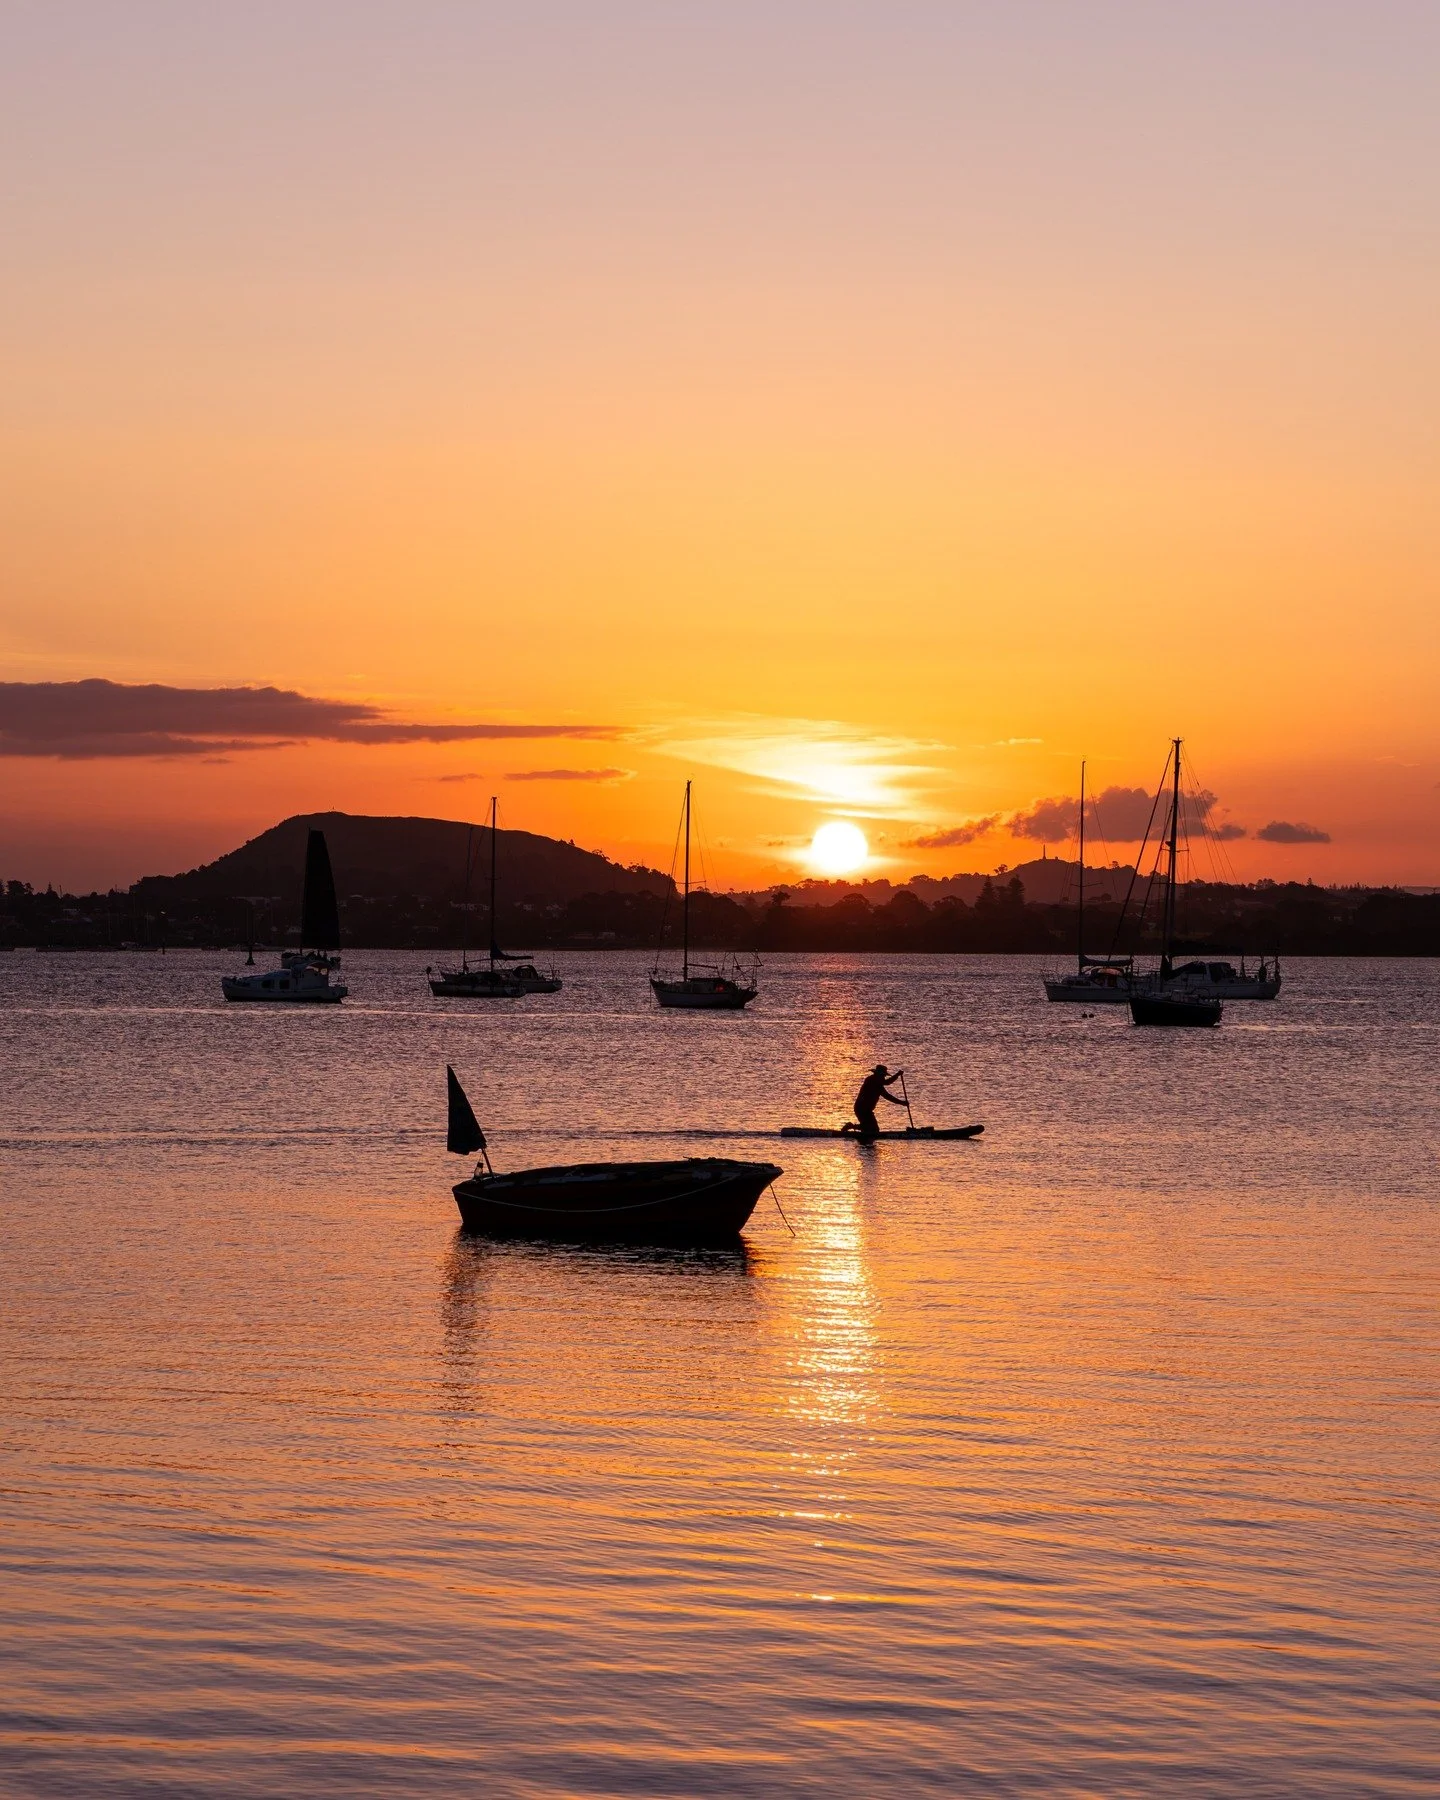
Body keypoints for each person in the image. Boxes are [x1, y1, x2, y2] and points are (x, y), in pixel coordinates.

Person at [851, 1064, 906, 1140]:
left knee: (872, 1130)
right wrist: (902, 1102)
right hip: (861, 1109)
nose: (883, 1077)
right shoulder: (871, 1081)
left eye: (884, 1076)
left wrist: (897, 1075)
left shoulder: (878, 1083)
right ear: (877, 1074)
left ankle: (852, 1127)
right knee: (873, 1130)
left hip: (867, 1110)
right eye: (882, 1075)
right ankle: (852, 1128)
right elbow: (887, 1090)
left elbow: (887, 1087)